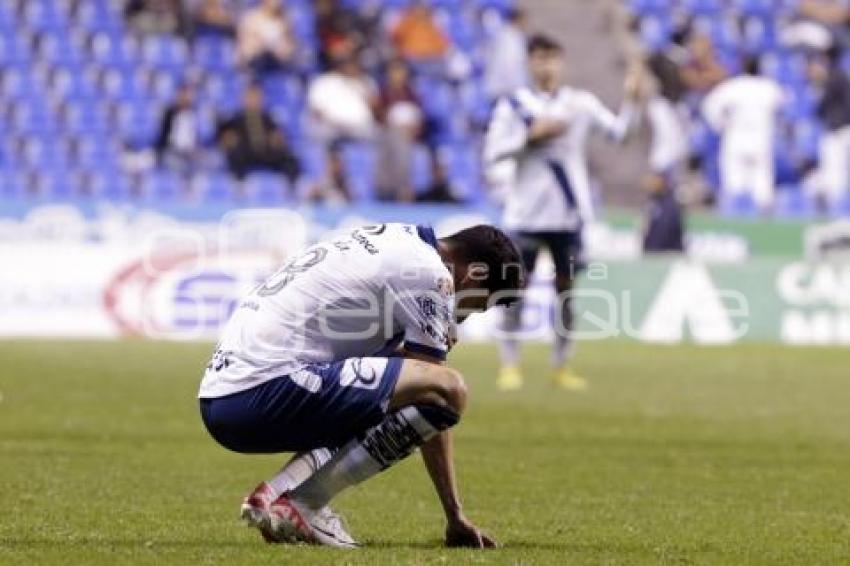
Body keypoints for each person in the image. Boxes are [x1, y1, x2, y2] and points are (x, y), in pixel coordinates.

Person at [198, 223, 524, 548]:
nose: (465, 317)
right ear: (474, 277)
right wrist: (454, 515)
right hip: (261, 389)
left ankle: (276, 494)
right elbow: (433, 393)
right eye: (477, 306)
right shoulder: (429, 275)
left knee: (386, 384)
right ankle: (304, 504)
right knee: (447, 389)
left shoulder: (395, 238)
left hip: (224, 395)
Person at [484, 34, 637, 392]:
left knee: (566, 294)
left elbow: (620, 133)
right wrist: (529, 139)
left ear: (562, 63)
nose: (546, 65)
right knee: (514, 293)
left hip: (568, 218)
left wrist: (632, 99)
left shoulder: (580, 104)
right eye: (539, 58)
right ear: (529, 63)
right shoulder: (514, 106)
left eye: (552, 58)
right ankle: (510, 366)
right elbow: (492, 154)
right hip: (525, 217)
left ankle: (560, 366)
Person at [702, 58, 784, 211]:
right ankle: (764, 218)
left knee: (734, 180)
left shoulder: (734, 86)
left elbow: (709, 105)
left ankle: (735, 214)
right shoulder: (769, 87)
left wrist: (721, 125)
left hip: (737, 136)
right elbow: (784, 108)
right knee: (762, 181)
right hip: (760, 137)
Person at [307, 54, 378, 201]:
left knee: (378, 136)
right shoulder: (325, 82)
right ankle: (330, 176)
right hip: (331, 126)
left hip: (359, 129)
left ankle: (362, 186)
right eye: (348, 64)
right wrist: (334, 122)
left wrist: (362, 89)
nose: (351, 68)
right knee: (320, 133)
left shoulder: (364, 82)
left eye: (354, 64)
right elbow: (316, 111)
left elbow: (376, 110)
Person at [216, 84, 300, 186]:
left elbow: (279, 136)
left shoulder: (268, 118)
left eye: (257, 98)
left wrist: (278, 140)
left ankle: (291, 187)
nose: (254, 101)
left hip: (266, 152)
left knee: (290, 159)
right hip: (246, 152)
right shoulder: (235, 119)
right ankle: (239, 186)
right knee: (234, 155)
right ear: (243, 100)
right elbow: (223, 135)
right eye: (250, 98)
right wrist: (228, 139)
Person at [375, 59, 423, 201]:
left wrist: (413, 130)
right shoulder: (383, 94)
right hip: (387, 134)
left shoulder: (412, 95)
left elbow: (420, 121)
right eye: (394, 72)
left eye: (400, 72)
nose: (397, 75)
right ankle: (399, 189)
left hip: (410, 137)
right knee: (397, 139)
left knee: (404, 143)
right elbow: (378, 118)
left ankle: (404, 189)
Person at [155, 84, 204, 176]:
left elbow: (202, 136)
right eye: (182, 95)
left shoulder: (196, 113)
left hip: (193, 153)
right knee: (172, 163)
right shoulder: (169, 114)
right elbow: (163, 137)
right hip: (173, 152)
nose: (185, 98)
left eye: (188, 95)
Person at [237, 0, 297, 75]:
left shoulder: (285, 21)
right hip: (256, 70)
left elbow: (289, 50)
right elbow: (244, 52)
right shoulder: (250, 20)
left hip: (278, 69)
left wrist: (279, 50)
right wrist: (260, 46)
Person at [483, 8, 529, 100]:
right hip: (503, 91)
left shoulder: (516, 36)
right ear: (517, 20)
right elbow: (508, 64)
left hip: (510, 90)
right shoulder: (507, 38)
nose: (526, 24)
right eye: (524, 20)